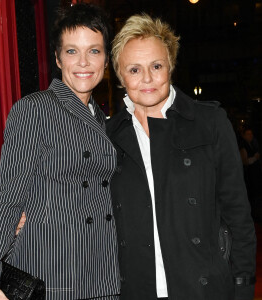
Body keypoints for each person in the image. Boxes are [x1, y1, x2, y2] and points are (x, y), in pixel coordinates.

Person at [0, 4, 120, 300]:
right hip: (54, 272)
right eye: (71, 51)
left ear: (106, 60)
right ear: (57, 58)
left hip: (104, 272)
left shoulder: (104, 121)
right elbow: (9, 196)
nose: (83, 62)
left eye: (94, 51)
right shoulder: (35, 109)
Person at [107, 14, 256, 300]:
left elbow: (239, 217)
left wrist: (243, 287)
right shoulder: (106, 136)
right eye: (135, 69)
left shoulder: (209, 122)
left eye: (156, 66)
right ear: (120, 75)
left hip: (203, 290)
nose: (147, 78)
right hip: (134, 291)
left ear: (171, 66)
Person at [240, 127, 262, 219]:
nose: (251, 136)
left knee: (256, 195)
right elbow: (245, 161)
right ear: (244, 135)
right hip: (249, 175)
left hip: (255, 174)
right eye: (248, 134)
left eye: (251, 134)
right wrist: (255, 158)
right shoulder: (243, 146)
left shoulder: (253, 144)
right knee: (251, 196)